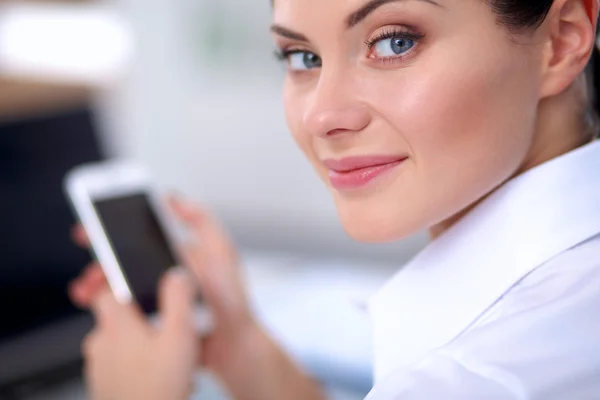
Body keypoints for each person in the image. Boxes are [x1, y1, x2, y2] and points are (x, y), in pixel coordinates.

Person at [69, 0, 600, 398]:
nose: (322, 116)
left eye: (394, 43)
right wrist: (247, 353)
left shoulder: (477, 378)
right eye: (301, 56)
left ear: (562, 39)